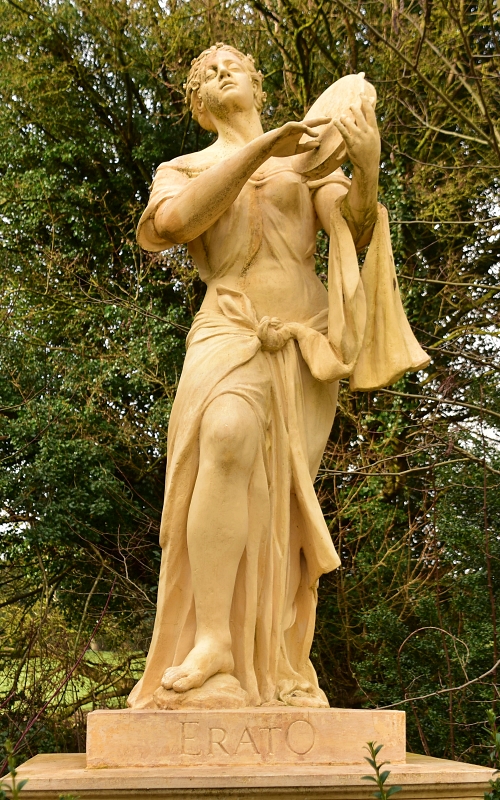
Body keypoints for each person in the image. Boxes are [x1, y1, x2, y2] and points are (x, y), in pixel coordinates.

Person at [128, 43, 428, 710]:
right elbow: (175, 223)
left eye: (230, 62)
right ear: (200, 107)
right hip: (228, 329)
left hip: (301, 346)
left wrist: (369, 164)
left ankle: (278, 662)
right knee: (226, 438)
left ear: (257, 80)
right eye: (205, 72)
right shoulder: (183, 167)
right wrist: (259, 151)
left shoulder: (306, 156)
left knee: (281, 512)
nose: (218, 71)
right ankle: (213, 644)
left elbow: (350, 223)